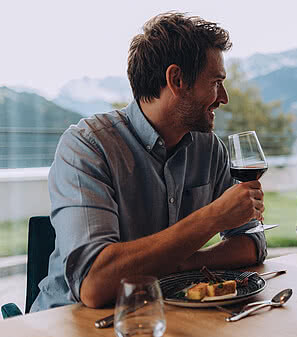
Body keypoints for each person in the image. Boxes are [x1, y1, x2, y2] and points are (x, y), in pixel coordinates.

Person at [31, 12, 267, 311]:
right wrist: (213, 217)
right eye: (216, 82)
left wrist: (185, 263)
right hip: (70, 321)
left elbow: (252, 244)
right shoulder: (87, 147)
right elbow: (95, 285)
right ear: (177, 79)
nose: (224, 97)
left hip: (161, 315)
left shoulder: (209, 150)